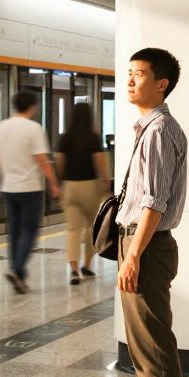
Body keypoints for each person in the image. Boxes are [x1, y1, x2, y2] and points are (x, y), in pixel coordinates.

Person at [110, 47, 188, 377]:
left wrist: (134, 255)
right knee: (142, 347)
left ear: (162, 83)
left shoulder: (159, 130)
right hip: (140, 245)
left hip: (147, 246)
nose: (130, 80)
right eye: (129, 73)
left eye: (139, 74)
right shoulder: (149, 127)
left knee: (156, 348)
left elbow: (154, 203)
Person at [0, 91, 60, 294]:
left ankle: (16, 270)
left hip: (9, 188)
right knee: (30, 231)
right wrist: (54, 183)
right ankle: (17, 269)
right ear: (32, 107)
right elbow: (42, 160)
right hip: (31, 188)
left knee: (14, 231)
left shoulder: (1, 127)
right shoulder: (34, 129)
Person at [56, 102, 109, 285]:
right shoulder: (93, 137)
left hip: (69, 186)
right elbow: (100, 163)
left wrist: (60, 183)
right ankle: (87, 265)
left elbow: (60, 164)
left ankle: (73, 270)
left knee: (72, 229)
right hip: (89, 186)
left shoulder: (65, 138)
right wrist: (106, 182)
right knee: (91, 227)